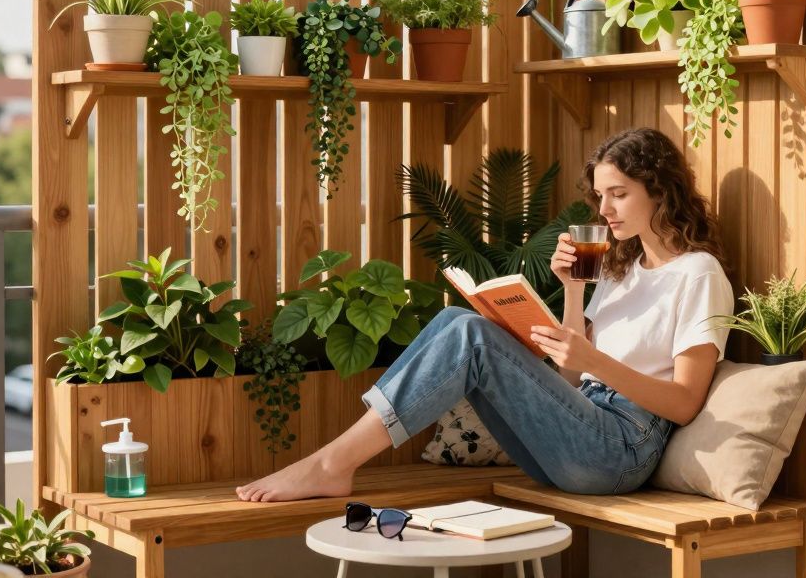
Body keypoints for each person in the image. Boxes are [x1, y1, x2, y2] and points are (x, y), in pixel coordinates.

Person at [236, 127, 734, 502]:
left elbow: (686, 403)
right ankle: (332, 462)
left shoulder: (698, 274)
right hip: (574, 434)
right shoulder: (619, 266)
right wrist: (573, 291)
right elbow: (570, 374)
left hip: (620, 450)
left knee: (471, 335)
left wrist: (597, 363)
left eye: (619, 194)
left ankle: (331, 464)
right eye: (599, 195)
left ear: (661, 191)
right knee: (460, 320)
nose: (604, 209)